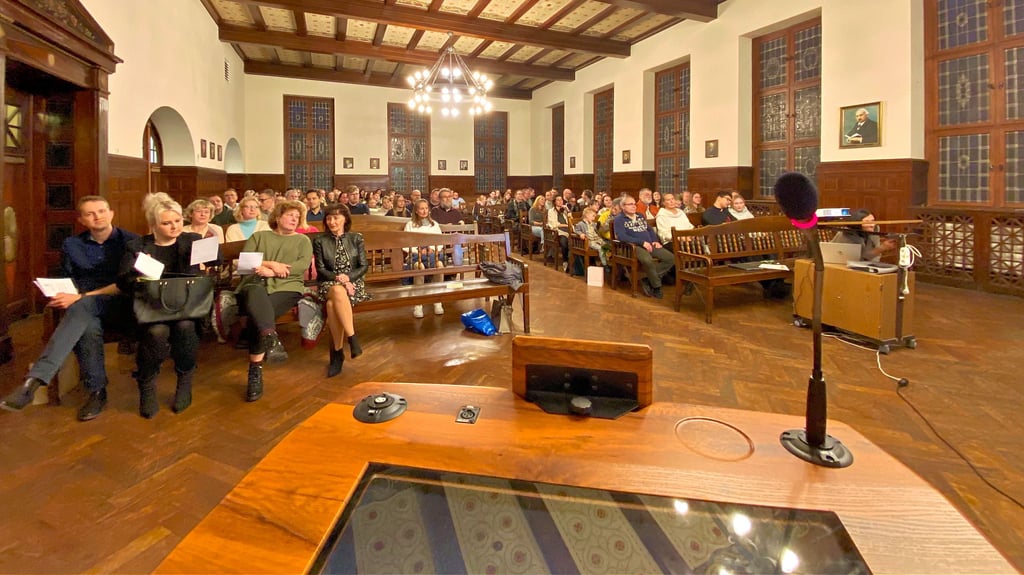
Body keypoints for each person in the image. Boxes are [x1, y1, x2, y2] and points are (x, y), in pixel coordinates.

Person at [0, 197, 138, 421]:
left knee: (82, 307)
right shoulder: (72, 245)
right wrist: (60, 294)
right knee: (88, 327)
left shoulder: (131, 241)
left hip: (120, 306)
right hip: (84, 310)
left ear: (111, 213)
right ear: (82, 220)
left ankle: (34, 381)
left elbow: (126, 284)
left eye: (102, 211)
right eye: (90, 214)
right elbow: (68, 279)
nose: (98, 216)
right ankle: (96, 392)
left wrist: (81, 297)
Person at [118, 193, 218, 418]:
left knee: (185, 327)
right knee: (157, 332)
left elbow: (216, 261)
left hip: (187, 306)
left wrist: (208, 252)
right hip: (152, 308)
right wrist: (138, 272)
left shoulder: (191, 240)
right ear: (153, 225)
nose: (174, 227)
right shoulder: (138, 246)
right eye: (166, 223)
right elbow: (122, 282)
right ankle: (147, 382)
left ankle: (185, 380)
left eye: (177, 221)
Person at [235, 200, 313, 402]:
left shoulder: (303, 240)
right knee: (256, 299)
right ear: (277, 217)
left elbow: (301, 266)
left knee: (258, 320)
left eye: (297, 217)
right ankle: (270, 338)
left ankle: (255, 368)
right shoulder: (260, 236)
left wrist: (272, 271)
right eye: (290, 215)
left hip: (287, 287)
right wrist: (272, 264)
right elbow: (245, 262)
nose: (294, 219)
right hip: (256, 284)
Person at [312, 204, 369, 378]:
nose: (332, 222)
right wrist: (339, 279)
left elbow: (363, 266)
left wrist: (348, 278)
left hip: (353, 283)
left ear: (345, 219)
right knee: (337, 291)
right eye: (329, 218)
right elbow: (321, 269)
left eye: (336, 217)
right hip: (329, 283)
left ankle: (337, 354)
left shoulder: (356, 238)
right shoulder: (320, 240)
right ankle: (352, 338)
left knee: (331, 306)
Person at [614, 196, 674, 299]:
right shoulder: (619, 219)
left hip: (650, 244)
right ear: (623, 206)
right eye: (630, 204)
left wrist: (655, 241)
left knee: (671, 258)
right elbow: (621, 236)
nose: (634, 206)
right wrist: (642, 243)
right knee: (647, 260)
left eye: (634, 204)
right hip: (634, 246)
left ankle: (647, 278)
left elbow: (649, 230)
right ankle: (656, 286)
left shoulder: (640, 216)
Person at [404, 199, 445, 318]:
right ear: (416, 211)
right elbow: (405, 244)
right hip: (415, 256)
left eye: (426, 208)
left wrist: (431, 249)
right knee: (419, 267)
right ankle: (418, 304)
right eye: (421, 208)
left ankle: (437, 301)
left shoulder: (434, 224)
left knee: (439, 266)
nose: (424, 211)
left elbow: (440, 242)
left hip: (432, 255)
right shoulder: (410, 225)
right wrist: (418, 251)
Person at [832, 208, 897, 262]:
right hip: (842, 263)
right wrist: (881, 248)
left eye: (873, 221)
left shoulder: (875, 229)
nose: (872, 225)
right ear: (857, 224)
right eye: (867, 222)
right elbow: (859, 258)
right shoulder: (847, 234)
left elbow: (876, 256)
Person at [547, 195, 571, 272]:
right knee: (564, 242)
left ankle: (573, 262)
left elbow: (571, 220)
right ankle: (565, 261)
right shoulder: (551, 211)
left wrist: (568, 210)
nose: (560, 201)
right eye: (558, 200)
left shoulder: (564, 210)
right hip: (557, 231)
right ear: (554, 202)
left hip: (568, 230)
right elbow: (554, 224)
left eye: (561, 200)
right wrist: (566, 225)